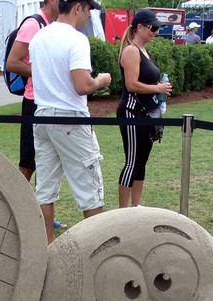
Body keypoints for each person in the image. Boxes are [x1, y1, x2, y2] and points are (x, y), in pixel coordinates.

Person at [29, 0, 111, 244]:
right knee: (90, 188)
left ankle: (48, 244)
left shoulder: (39, 38)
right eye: (88, 9)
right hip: (70, 118)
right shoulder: (77, 39)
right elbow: (82, 85)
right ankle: (95, 250)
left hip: (42, 115)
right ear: (78, 7)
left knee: (44, 188)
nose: (88, 15)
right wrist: (102, 80)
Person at [4, 0, 68, 231]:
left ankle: (44, 217)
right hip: (33, 102)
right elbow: (13, 62)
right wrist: (43, 72)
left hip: (46, 101)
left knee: (46, 162)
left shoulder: (52, 25)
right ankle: (10, 212)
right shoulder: (33, 24)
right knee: (28, 163)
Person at [116, 10, 171, 208]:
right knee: (132, 161)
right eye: (153, 28)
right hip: (133, 111)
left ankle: (136, 206)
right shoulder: (131, 51)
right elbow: (131, 85)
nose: (156, 32)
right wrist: (158, 88)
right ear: (140, 27)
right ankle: (122, 211)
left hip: (147, 112)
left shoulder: (144, 50)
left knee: (142, 161)